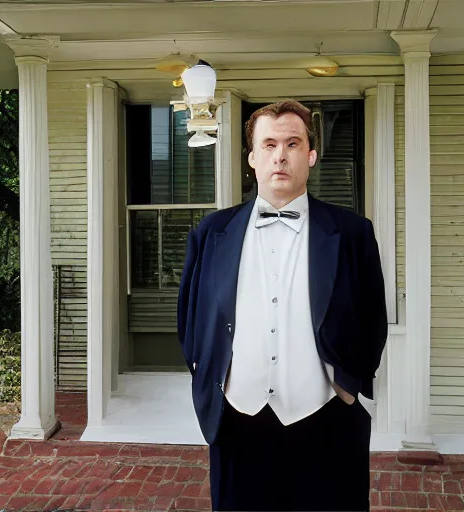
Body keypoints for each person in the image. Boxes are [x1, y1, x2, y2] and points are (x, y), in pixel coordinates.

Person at [177, 99, 388, 512]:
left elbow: (373, 321)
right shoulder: (211, 232)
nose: (280, 154)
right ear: (252, 157)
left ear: (310, 155)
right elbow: (190, 322)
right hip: (238, 423)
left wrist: (348, 387)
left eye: (293, 143)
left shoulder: (352, 233)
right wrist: (212, 383)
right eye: (269, 144)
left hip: (327, 421)